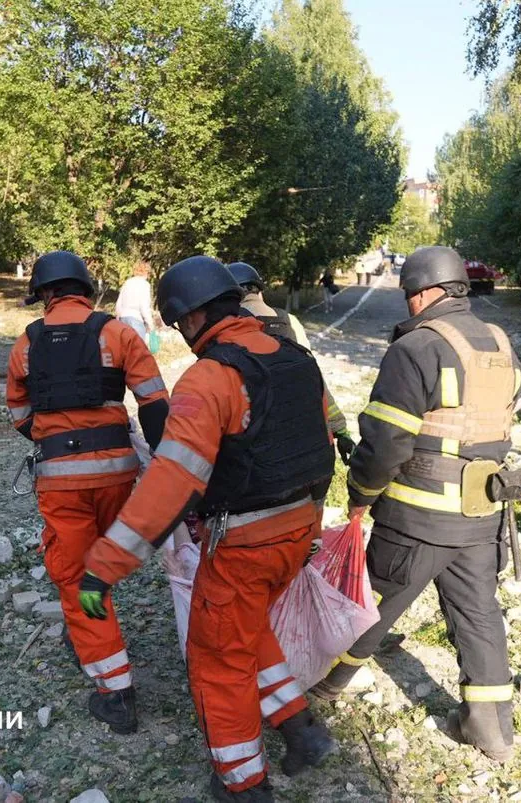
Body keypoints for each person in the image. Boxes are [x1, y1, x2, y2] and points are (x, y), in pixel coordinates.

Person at [81, 256, 338, 802]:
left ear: (193, 318)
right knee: (248, 630)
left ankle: (243, 784)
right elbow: (322, 441)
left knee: (218, 658)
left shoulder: (211, 376)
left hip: (246, 542)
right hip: (299, 530)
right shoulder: (297, 358)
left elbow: (170, 484)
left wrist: (104, 567)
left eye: (178, 326)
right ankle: (301, 727)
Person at [310, 246, 521, 763]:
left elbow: (385, 443)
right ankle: (491, 728)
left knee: (374, 601)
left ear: (425, 293)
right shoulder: (498, 341)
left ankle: (325, 688)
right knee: (478, 614)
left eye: (409, 297)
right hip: (483, 511)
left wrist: (360, 495)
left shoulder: (416, 348)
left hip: (419, 515)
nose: (409, 306)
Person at [5, 251, 169, 733]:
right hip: (119, 474)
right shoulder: (117, 332)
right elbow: (155, 403)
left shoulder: (26, 344)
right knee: (101, 561)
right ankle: (91, 628)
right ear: (85, 288)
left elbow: (18, 412)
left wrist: (53, 439)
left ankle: (115, 692)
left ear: (45, 295)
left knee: (76, 579)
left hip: (61, 480)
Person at [226, 262, 355, 466]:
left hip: (261, 453)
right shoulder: (289, 321)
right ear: (259, 290)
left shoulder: (230, 330)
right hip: (310, 448)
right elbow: (314, 377)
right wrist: (340, 428)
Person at [114, 259, 155, 341]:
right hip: (136, 320)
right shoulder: (145, 284)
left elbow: (119, 304)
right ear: (147, 272)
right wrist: (151, 325)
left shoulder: (127, 282)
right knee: (137, 351)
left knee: (124, 350)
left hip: (123, 319)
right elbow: (144, 307)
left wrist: (117, 319)